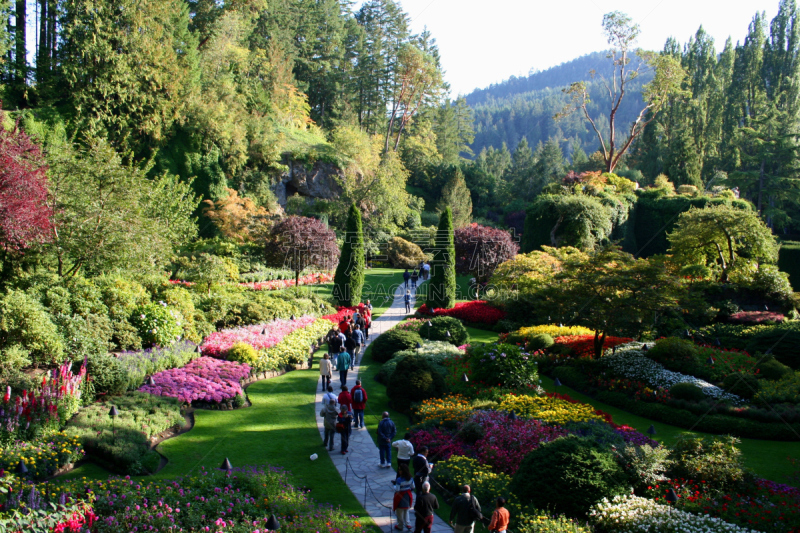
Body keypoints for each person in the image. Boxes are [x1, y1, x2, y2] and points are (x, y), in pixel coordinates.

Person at [393, 463, 414, 530]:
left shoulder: (399, 480)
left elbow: (397, 489)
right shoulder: (410, 478)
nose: (399, 471)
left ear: (403, 471)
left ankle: (400, 525)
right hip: (407, 497)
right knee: (406, 510)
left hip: (400, 498)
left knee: (399, 512)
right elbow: (413, 487)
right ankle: (408, 524)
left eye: (400, 470)